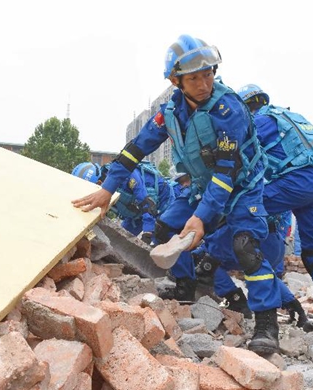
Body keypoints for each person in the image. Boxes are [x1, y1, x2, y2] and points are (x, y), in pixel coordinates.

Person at [72, 35, 281, 355]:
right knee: (165, 229)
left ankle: (267, 322)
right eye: (194, 77)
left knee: (246, 247)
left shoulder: (229, 109)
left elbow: (226, 173)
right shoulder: (169, 113)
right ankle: (189, 286)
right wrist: (107, 190)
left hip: (241, 187)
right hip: (200, 186)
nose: (203, 83)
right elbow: (135, 150)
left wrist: (200, 218)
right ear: (176, 81)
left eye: (208, 74)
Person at [237, 84, 313, 339]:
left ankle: (265, 314)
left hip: (296, 182)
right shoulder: (293, 119)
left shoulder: (260, 120)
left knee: (241, 212)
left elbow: (240, 156)